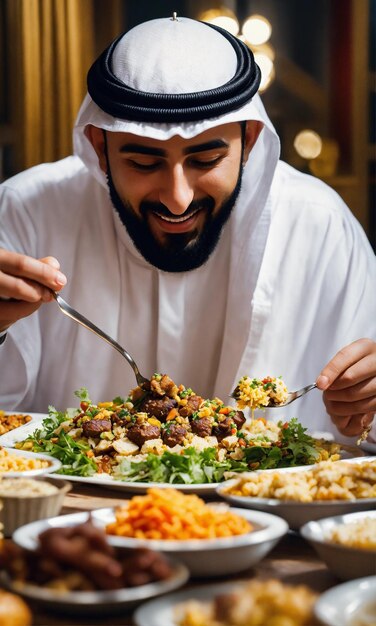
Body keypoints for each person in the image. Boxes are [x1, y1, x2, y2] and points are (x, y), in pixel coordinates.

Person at [0, 15, 375, 444]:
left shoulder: (318, 222)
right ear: (99, 147)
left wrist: (366, 404)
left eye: (205, 161)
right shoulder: (25, 212)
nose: (177, 199)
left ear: (249, 140)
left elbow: (367, 425)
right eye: (144, 163)